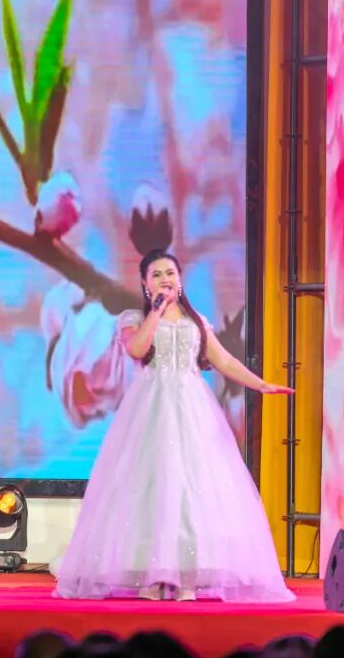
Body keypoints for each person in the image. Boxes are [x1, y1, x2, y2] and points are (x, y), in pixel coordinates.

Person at [54, 249, 296, 602]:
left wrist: (260, 384)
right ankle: (151, 576)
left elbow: (223, 360)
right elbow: (137, 349)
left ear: (180, 279)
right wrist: (155, 311)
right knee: (152, 487)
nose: (164, 279)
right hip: (151, 407)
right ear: (145, 283)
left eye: (170, 272)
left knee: (191, 487)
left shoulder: (196, 321)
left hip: (192, 407)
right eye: (156, 274)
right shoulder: (134, 318)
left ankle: (187, 577)